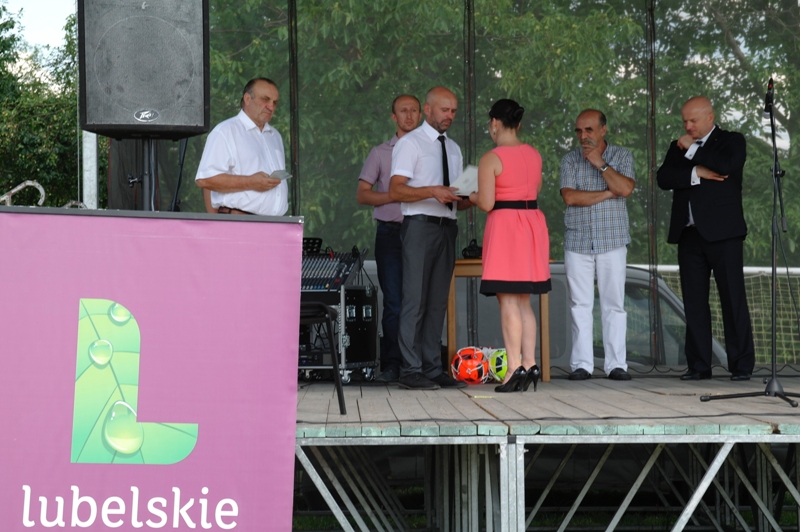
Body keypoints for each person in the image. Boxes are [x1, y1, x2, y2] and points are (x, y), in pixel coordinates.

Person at [656, 96, 755, 381]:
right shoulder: (679, 145)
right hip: (689, 234)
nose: (688, 126)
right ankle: (699, 365)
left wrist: (693, 150)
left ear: (710, 117)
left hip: (724, 234)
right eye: (684, 121)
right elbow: (664, 178)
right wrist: (695, 172)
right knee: (694, 302)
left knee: (732, 299)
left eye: (693, 120)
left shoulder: (731, 140)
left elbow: (726, 165)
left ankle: (741, 365)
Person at [389, 86, 472, 390]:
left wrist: (474, 196)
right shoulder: (410, 143)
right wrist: (431, 191)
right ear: (428, 109)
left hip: (447, 226)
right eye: (444, 110)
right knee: (415, 299)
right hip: (420, 226)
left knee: (437, 300)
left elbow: (457, 197)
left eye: (453, 111)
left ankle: (432, 367)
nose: (450, 116)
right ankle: (409, 369)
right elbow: (396, 190)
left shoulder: (454, 148)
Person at [468, 99, 551, 393]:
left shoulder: (492, 158)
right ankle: (530, 363)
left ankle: (513, 368)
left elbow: (487, 202)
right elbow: (536, 188)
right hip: (532, 224)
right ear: (518, 124)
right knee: (524, 300)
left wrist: (469, 194)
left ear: (494, 123)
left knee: (508, 301)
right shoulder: (533, 154)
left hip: (506, 227)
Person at [560, 109, 635, 381]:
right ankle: (582, 365)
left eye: (589, 130)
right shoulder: (569, 160)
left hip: (612, 240)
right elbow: (570, 197)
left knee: (613, 304)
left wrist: (601, 164)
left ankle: (616, 365)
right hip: (577, 240)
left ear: (603, 130)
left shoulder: (622, 156)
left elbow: (625, 189)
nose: (583, 136)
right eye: (579, 130)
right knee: (579, 304)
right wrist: (607, 193)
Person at [356, 95, 421, 383]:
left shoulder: (430, 150)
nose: (409, 115)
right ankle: (392, 364)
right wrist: (393, 196)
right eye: (403, 111)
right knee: (394, 301)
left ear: (421, 114)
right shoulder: (381, 152)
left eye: (414, 110)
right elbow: (362, 194)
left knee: (420, 300)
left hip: (422, 231)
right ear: (393, 117)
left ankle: (420, 363)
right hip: (391, 232)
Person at [195, 78, 288, 216]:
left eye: (274, 102)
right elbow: (206, 179)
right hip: (239, 221)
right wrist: (250, 182)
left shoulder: (275, 135)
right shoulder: (225, 131)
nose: (271, 107)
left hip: (276, 224)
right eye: (265, 99)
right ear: (247, 99)